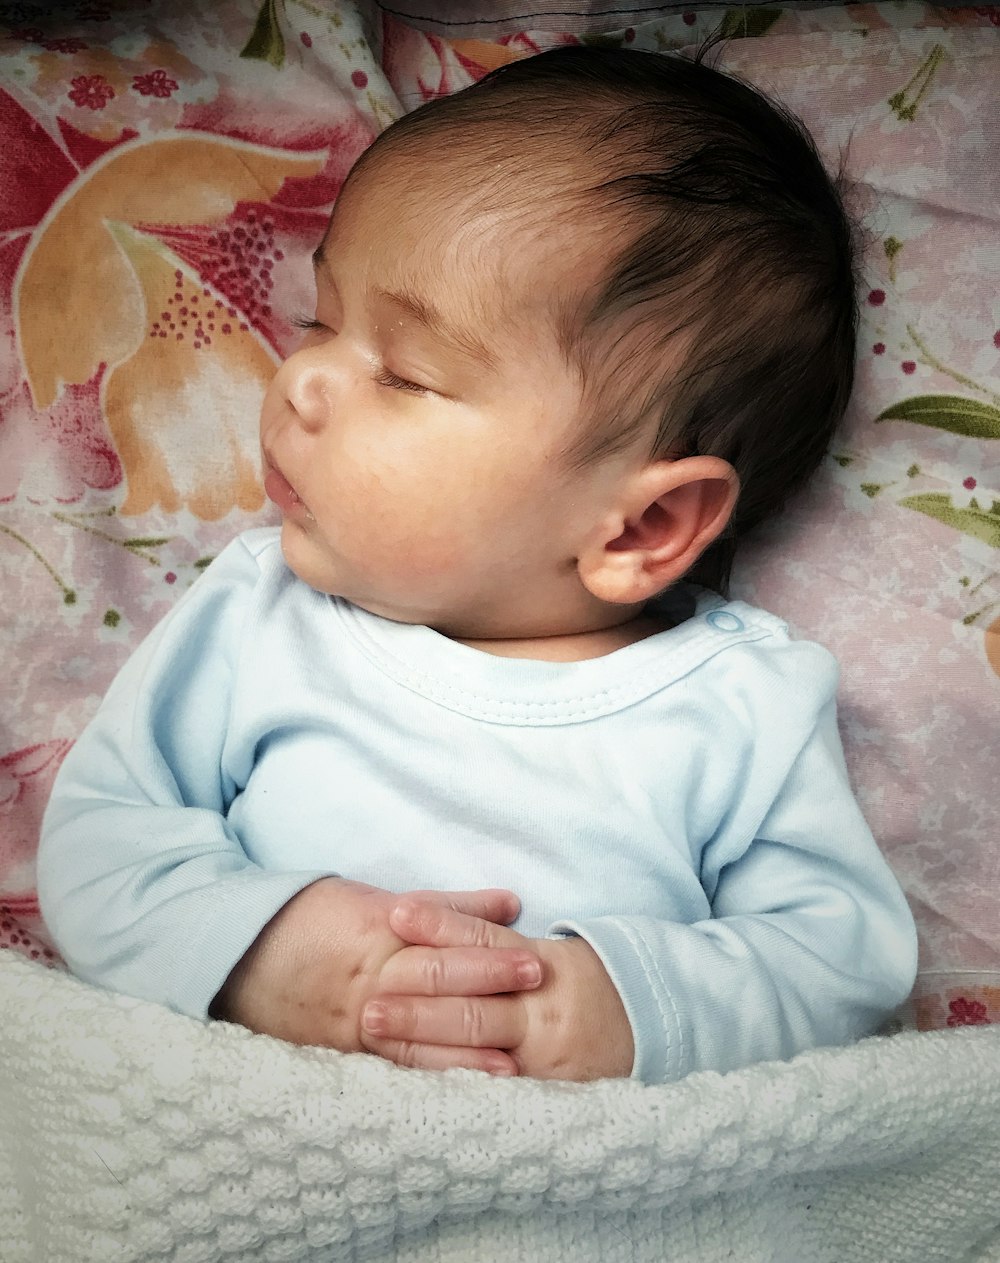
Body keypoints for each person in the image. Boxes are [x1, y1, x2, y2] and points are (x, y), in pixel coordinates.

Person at [37, 44, 918, 1085]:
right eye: (320, 321)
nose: (304, 379)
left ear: (641, 526)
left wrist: (615, 1010)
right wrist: (268, 953)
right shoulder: (260, 612)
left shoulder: (738, 706)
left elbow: (838, 964)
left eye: (404, 375)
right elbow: (99, 842)